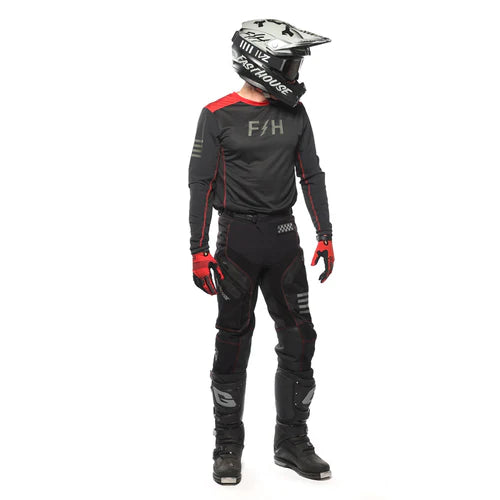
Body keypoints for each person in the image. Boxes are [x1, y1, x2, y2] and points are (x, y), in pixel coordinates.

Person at [188, 19, 335, 485]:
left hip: (284, 239)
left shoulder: (297, 114)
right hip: (236, 242)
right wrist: (197, 248)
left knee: (300, 338)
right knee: (233, 340)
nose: (295, 75)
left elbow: (311, 174)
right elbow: (200, 183)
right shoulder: (217, 114)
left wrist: (325, 233)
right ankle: (227, 446)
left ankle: (291, 441)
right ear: (260, 62)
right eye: (289, 65)